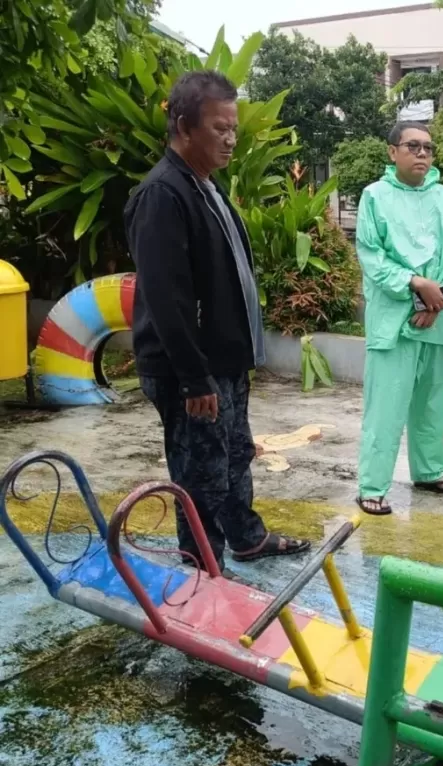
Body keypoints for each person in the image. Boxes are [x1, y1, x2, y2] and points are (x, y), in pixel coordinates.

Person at [125, 70, 311, 573]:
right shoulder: (163, 195)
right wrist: (193, 377)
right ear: (184, 127)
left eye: (234, 128)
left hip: (223, 364)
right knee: (201, 472)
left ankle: (245, 538)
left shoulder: (204, 185)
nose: (231, 139)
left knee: (233, 454)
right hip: (193, 372)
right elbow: (166, 299)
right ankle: (202, 569)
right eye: (219, 128)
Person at [355, 121, 443, 516]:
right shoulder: (375, 197)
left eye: (428, 148)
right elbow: (372, 258)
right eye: (413, 146)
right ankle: (372, 485)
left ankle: (430, 471)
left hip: (436, 319)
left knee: (431, 403)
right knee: (385, 406)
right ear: (392, 152)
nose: (422, 153)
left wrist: (433, 305)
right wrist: (416, 284)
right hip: (392, 322)